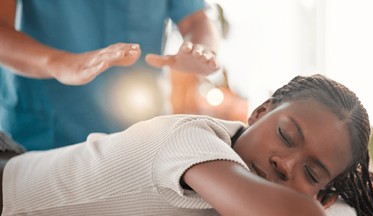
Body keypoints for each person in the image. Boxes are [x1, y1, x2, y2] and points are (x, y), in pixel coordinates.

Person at [1, 74, 373, 216]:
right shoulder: (193, 141)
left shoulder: (246, 189)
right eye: (286, 137)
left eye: (312, 173)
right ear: (258, 113)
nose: (285, 165)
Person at [0, 0, 219, 151]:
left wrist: (202, 50)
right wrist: (60, 63)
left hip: (140, 128)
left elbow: (196, 20)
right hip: (45, 130)